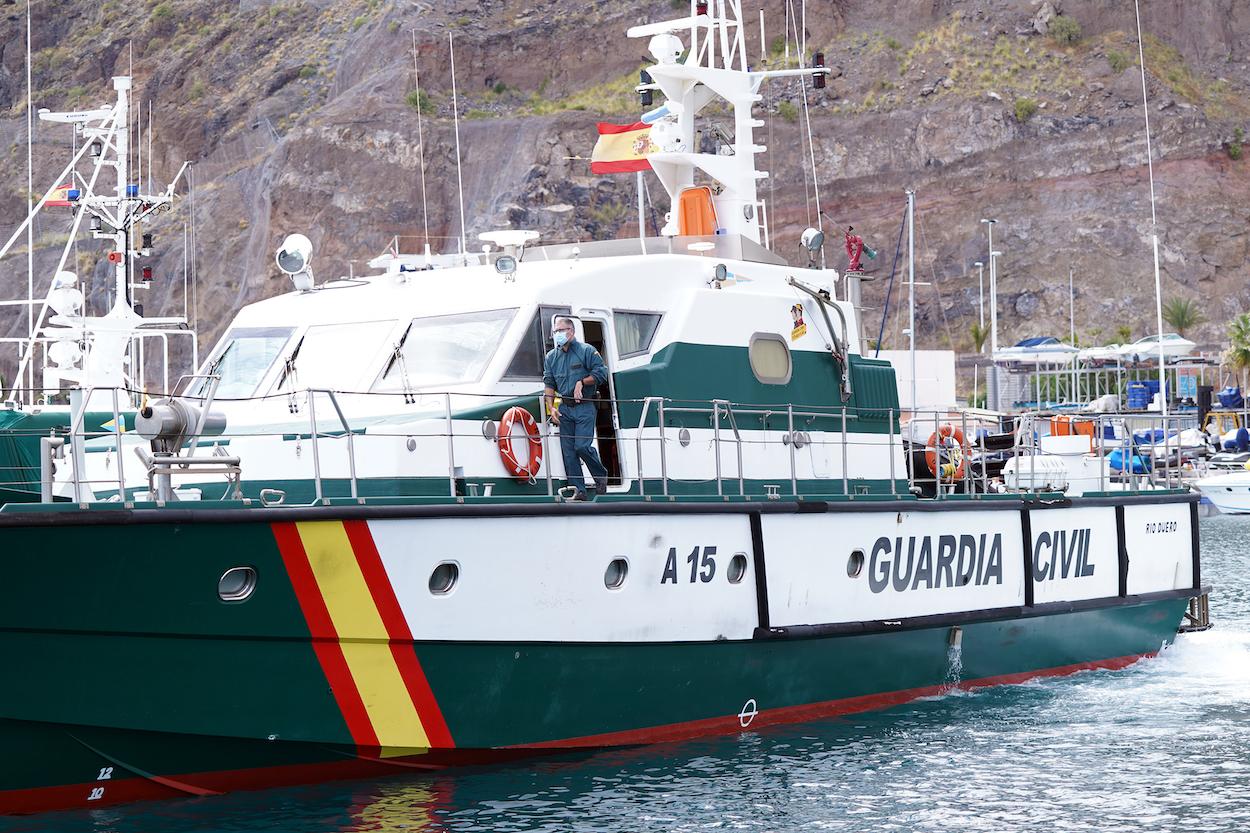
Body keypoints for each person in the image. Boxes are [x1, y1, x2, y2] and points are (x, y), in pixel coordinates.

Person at [543, 317, 609, 500]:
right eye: (555, 332)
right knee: (569, 452)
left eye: (560, 331)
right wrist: (551, 408)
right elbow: (549, 383)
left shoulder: (587, 351)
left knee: (581, 446)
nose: (557, 335)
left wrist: (582, 381)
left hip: (585, 406)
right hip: (565, 408)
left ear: (571, 331)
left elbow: (601, 373)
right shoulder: (551, 357)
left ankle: (600, 475)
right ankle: (578, 490)